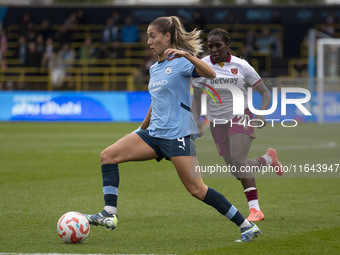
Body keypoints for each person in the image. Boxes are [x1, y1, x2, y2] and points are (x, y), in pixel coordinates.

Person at [85, 16, 260, 242]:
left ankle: (247, 226)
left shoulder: (181, 61)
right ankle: (109, 214)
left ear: (167, 37)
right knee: (108, 155)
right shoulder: (155, 69)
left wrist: (187, 55)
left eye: (152, 36)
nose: (148, 41)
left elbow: (211, 73)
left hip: (177, 135)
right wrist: (139, 130)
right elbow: (155, 103)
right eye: (147, 36)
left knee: (197, 190)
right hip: (154, 134)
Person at [191, 28, 283, 222]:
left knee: (239, 159)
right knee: (236, 169)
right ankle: (268, 159)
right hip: (218, 122)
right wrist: (197, 122)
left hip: (241, 116)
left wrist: (261, 114)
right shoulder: (202, 66)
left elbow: (265, 93)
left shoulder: (242, 66)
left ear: (227, 45)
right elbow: (197, 99)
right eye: (210, 46)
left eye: (218, 45)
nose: (214, 50)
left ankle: (255, 210)